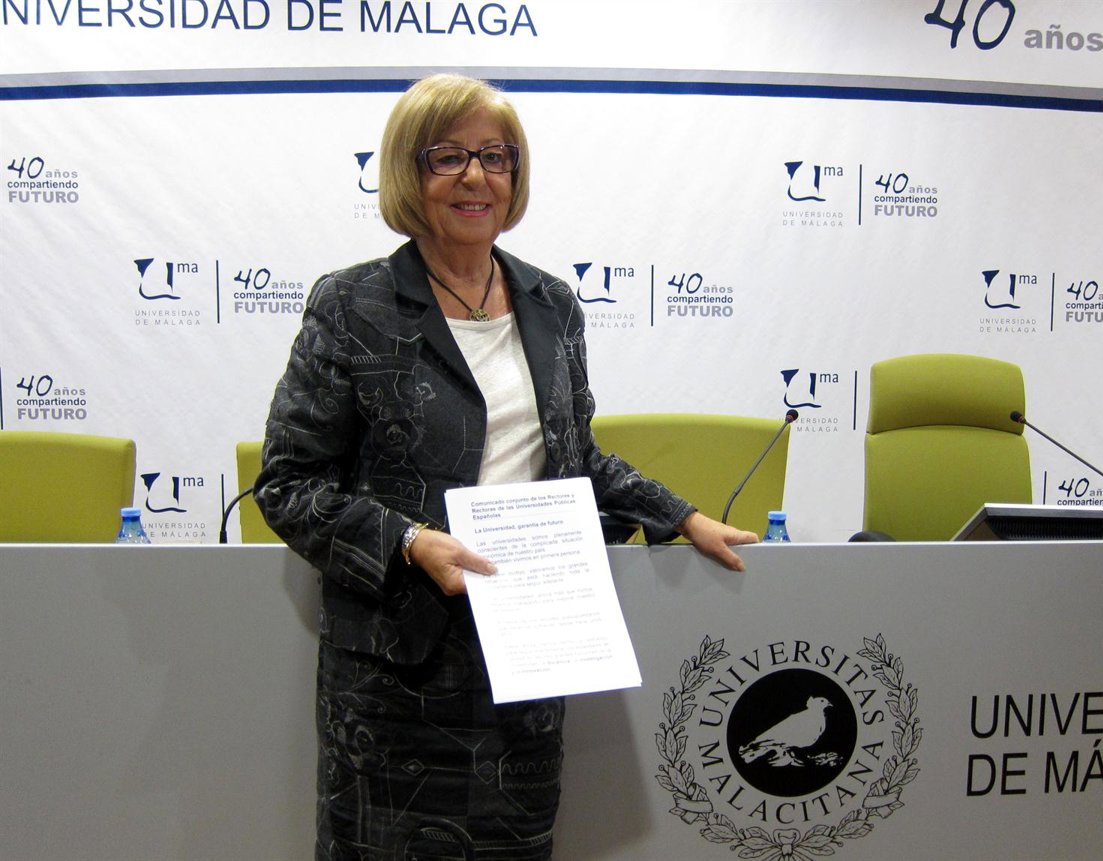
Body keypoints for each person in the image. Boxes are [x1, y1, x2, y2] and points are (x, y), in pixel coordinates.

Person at [255, 73, 758, 860]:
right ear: (409, 172)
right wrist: (409, 541)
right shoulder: (353, 305)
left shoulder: (552, 304)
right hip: (396, 680)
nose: (476, 176)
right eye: (448, 156)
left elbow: (577, 458)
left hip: (528, 659)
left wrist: (682, 516)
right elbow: (289, 484)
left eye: (495, 156)